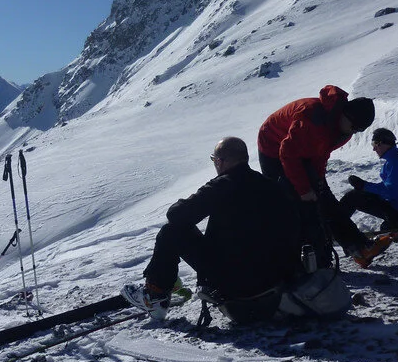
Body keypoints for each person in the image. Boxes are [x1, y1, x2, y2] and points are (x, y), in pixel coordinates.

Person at [122, 137, 300, 323]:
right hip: (275, 279)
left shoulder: (223, 185)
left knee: (171, 231)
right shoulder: (270, 185)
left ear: (221, 161)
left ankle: (155, 296)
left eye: (215, 160)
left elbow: (176, 214)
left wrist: (206, 193)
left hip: (234, 283)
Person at [257, 84, 389, 268]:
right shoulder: (313, 119)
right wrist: (304, 190)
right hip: (273, 147)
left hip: (300, 150)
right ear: (345, 115)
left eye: (359, 130)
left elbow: (321, 153)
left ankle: (358, 248)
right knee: (293, 203)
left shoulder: (342, 129)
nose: (354, 132)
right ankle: (303, 258)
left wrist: (318, 184)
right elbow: (287, 153)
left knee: (323, 198)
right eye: (354, 127)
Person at [340, 127, 398, 230]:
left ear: (383, 143)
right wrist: (364, 187)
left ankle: (333, 229)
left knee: (353, 197)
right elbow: (388, 187)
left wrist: (364, 186)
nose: (374, 149)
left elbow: (391, 192)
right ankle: (334, 227)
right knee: (356, 194)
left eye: (375, 144)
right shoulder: (394, 160)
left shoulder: (396, 163)